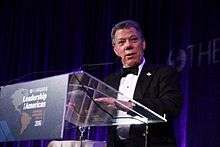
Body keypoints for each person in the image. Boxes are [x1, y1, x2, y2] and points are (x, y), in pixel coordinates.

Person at [96, 20, 182, 147]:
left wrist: (130, 105)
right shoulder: (109, 81)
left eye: (133, 40)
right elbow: (100, 116)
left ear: (143, 44)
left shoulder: (163, 73)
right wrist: (81, 113)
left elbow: (172, 106)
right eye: (121, 42)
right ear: (116, 50)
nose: (128, 46)